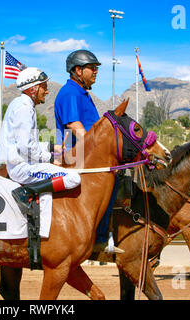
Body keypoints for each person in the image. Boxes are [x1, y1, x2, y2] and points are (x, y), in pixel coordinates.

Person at [54, 49, 124, 259]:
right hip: (78, 160)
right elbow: (74, 125)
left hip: (87, 158)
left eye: (96, 68)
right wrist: (96, 149)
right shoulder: (70, 93)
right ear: (77, 70)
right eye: (92, 68)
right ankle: (99, 239)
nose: (96, 72)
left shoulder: (82, 93)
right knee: (114, 183)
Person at [0, 67, 81, 213]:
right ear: (33, 89)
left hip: (20, 165)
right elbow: (26, 147)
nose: (46, 91)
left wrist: (53, 147)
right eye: (44, 87)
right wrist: (50, 160)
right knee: (74, 178)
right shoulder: (24, 108)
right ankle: (26, 193)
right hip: (23, 169)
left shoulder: (20, 104)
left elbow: (28, 143)